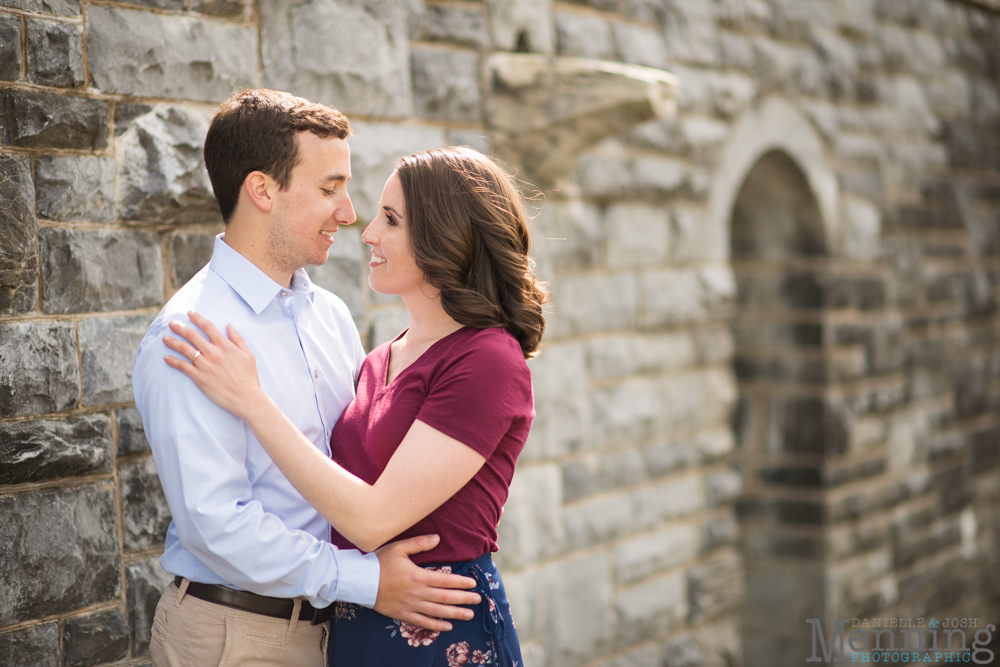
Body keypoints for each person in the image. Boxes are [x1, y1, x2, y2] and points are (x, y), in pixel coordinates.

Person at [131, 90, 482, 667]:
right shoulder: (193, 335)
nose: (349, 213)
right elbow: (215, 526)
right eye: (328, 188)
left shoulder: (331, 316)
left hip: (339, 630)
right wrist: (364, 580)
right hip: (239, 637)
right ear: (262, 190)